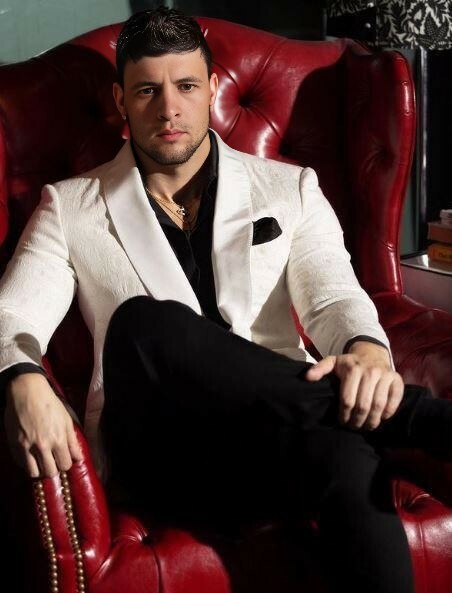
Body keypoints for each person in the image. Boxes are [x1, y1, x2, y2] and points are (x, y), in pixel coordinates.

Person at [0, 7, 451, 593]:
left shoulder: (289, 187)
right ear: (120, 100)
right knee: (141, 324)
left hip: (276, 437)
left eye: (186, 86)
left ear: (212, 88)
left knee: (348, 458)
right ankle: (417, 420)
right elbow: (11, 313)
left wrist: (366, 350)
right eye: (147, 90)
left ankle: (388, 419)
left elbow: (335, 296)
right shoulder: (70, 206)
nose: (169, 109)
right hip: (161, 454)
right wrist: (21, 376)